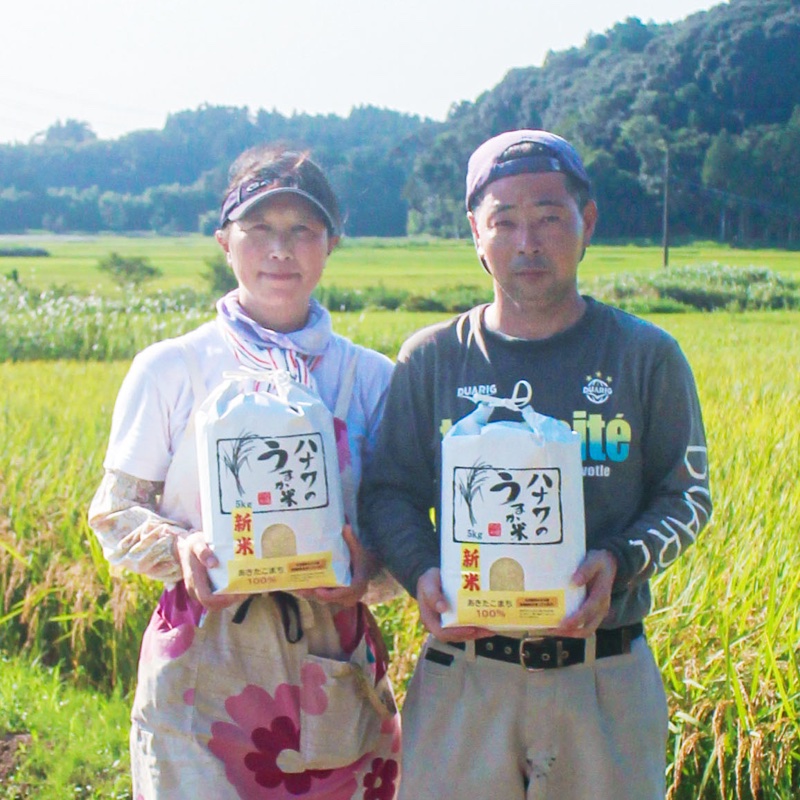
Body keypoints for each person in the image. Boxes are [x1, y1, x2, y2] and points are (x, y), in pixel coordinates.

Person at [359, 129, 712, 800]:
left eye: (550, 217)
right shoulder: (433, 358)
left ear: (588, 223)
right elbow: (388, 493)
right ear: (475, 232)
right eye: (505, 221)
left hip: (602, 677)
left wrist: (619, 559)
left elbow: (687, 496)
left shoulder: (645, 355)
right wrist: (422, 573)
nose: (528, 242)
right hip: (464, 673)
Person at [89, 146, 401, 800]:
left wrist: (368, 570)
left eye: (302, 230)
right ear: (224, 239)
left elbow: (401, 515)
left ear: (331, 243)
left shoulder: (371, 379)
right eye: (259, 228)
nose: (279, 249)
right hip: (204, 656)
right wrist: (184, 549)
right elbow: (116, 511)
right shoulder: (174, 368)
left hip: (332, 657)